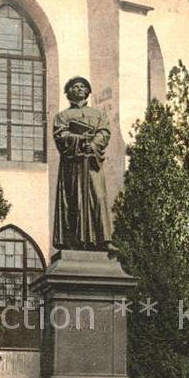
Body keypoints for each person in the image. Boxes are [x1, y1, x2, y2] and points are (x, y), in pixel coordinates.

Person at [53, 76, 112, 250]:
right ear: (68, 92)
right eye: (74, 87)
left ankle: (104, 240)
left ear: (87, 91)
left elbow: (104, 132)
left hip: (92, 163)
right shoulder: (62, 116)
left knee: (99, 197)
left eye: (82, 86)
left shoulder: (99, 115)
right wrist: (79, 139)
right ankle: (75, 241)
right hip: (73, 164)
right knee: (74, 200)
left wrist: (93, 144)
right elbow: (60, 136)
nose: (78, 89)